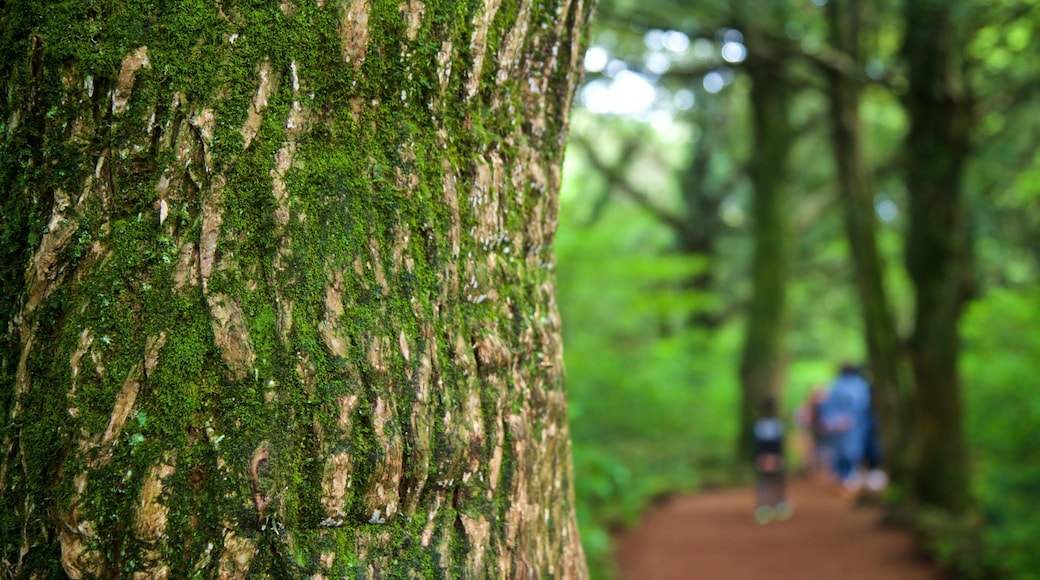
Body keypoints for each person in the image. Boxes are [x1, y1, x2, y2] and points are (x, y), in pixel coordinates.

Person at [819, 363, 873, 495]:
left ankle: (843, 479)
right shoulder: (860, 385)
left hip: (837, 426)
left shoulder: (833, 385)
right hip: (854, 425)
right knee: (852, 452)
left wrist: (832, 421)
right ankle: (848, 480)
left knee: (840, 452)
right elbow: (863, 405)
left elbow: (826, 406)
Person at [752, 395, 792, 523]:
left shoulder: (759, 425)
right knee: (777, 481)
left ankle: (764, 507)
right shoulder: (777, 424)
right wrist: (778, 457)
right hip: (774, 455)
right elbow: (779, 444)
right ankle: (780, 505)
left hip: (764, 455)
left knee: (764, 481)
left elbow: (758, 444)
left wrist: (760, 457)